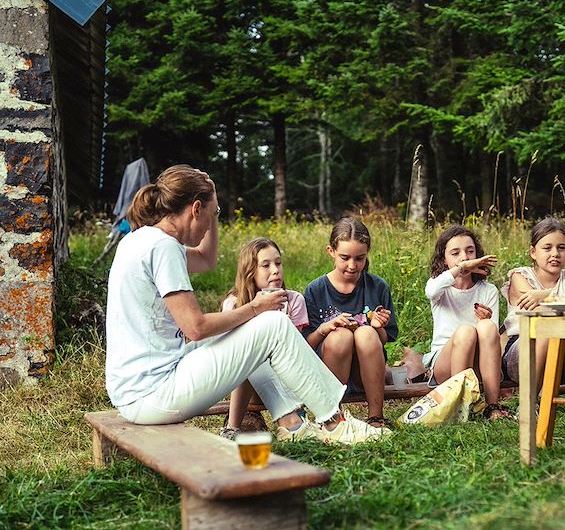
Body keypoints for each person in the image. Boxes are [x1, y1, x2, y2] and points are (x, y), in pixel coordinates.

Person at [104, 165, 385, 445]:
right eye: (212, 214)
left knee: (250, 331)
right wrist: (255, 308)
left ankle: (293, 423)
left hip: (136, 389)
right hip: (153, 393)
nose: (210, 224)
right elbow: (196, 327)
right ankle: (335, 423)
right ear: (195, 209)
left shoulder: (140, 239)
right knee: (271, 324)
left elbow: (206, 259)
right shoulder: (163, 248)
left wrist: (211, 209)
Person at [220, 237, 330, 442]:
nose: (275, 270)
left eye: (278, 263)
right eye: (266, 265)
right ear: (250, 271)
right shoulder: (235, 304)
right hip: (247, 384)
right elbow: (232, 355)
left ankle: (292, 419)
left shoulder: (294, 300)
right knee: (250, 348)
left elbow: (297, 356)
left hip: (286, 378)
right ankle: (283, 421)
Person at [303, 217, 398, 430]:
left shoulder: (377, 287)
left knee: (365, 334)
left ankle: (376, 417)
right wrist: (324, 328)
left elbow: (387, 338)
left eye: (360, 258)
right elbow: (305, 344)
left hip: (367, 371)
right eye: (345, 257)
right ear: (331, 251)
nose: (352, 266)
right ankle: (331, 418)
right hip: (329, 368)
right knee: (340, 336)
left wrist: (378, 327)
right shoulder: (316, 290)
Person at [424, 225, 511, 420]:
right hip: (444, 365)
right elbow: (430, 292)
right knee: (465, 332)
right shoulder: (439, 286)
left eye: (470, 251)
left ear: (477, 255)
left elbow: (492, 339)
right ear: (444, 261)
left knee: (488, 327)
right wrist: (461, 268)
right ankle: (459, 406)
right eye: (455, 253)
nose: (464, 257)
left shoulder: (488, 291)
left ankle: (492, 406)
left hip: (479, 364)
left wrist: (484, 321)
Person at [501, 217, 565, 389]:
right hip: (523, 350)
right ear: (533, 253)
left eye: (562, 248)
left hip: (563, 351)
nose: (555, 254)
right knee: (545, 327)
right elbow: (539, 311)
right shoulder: (520, 277)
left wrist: (544, 294)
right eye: (547, 248)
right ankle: (532, 400)